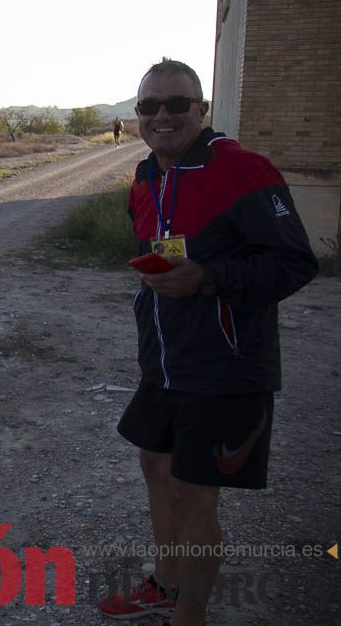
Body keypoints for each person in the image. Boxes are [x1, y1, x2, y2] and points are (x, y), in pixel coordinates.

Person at [99, 60, 317, 625]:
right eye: (150, 107)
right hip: (166, 361)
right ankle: (167, 586)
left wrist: (208, 278)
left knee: (195, 495)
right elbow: (174, 244)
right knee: (157, 468)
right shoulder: (148, 176)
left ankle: (188, 616)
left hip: (227, 366)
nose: (162, 116)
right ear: (137, 116)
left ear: (202, 109)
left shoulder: (245, 170)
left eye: (176, 104)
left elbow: (294, 262)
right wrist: (168, 267)